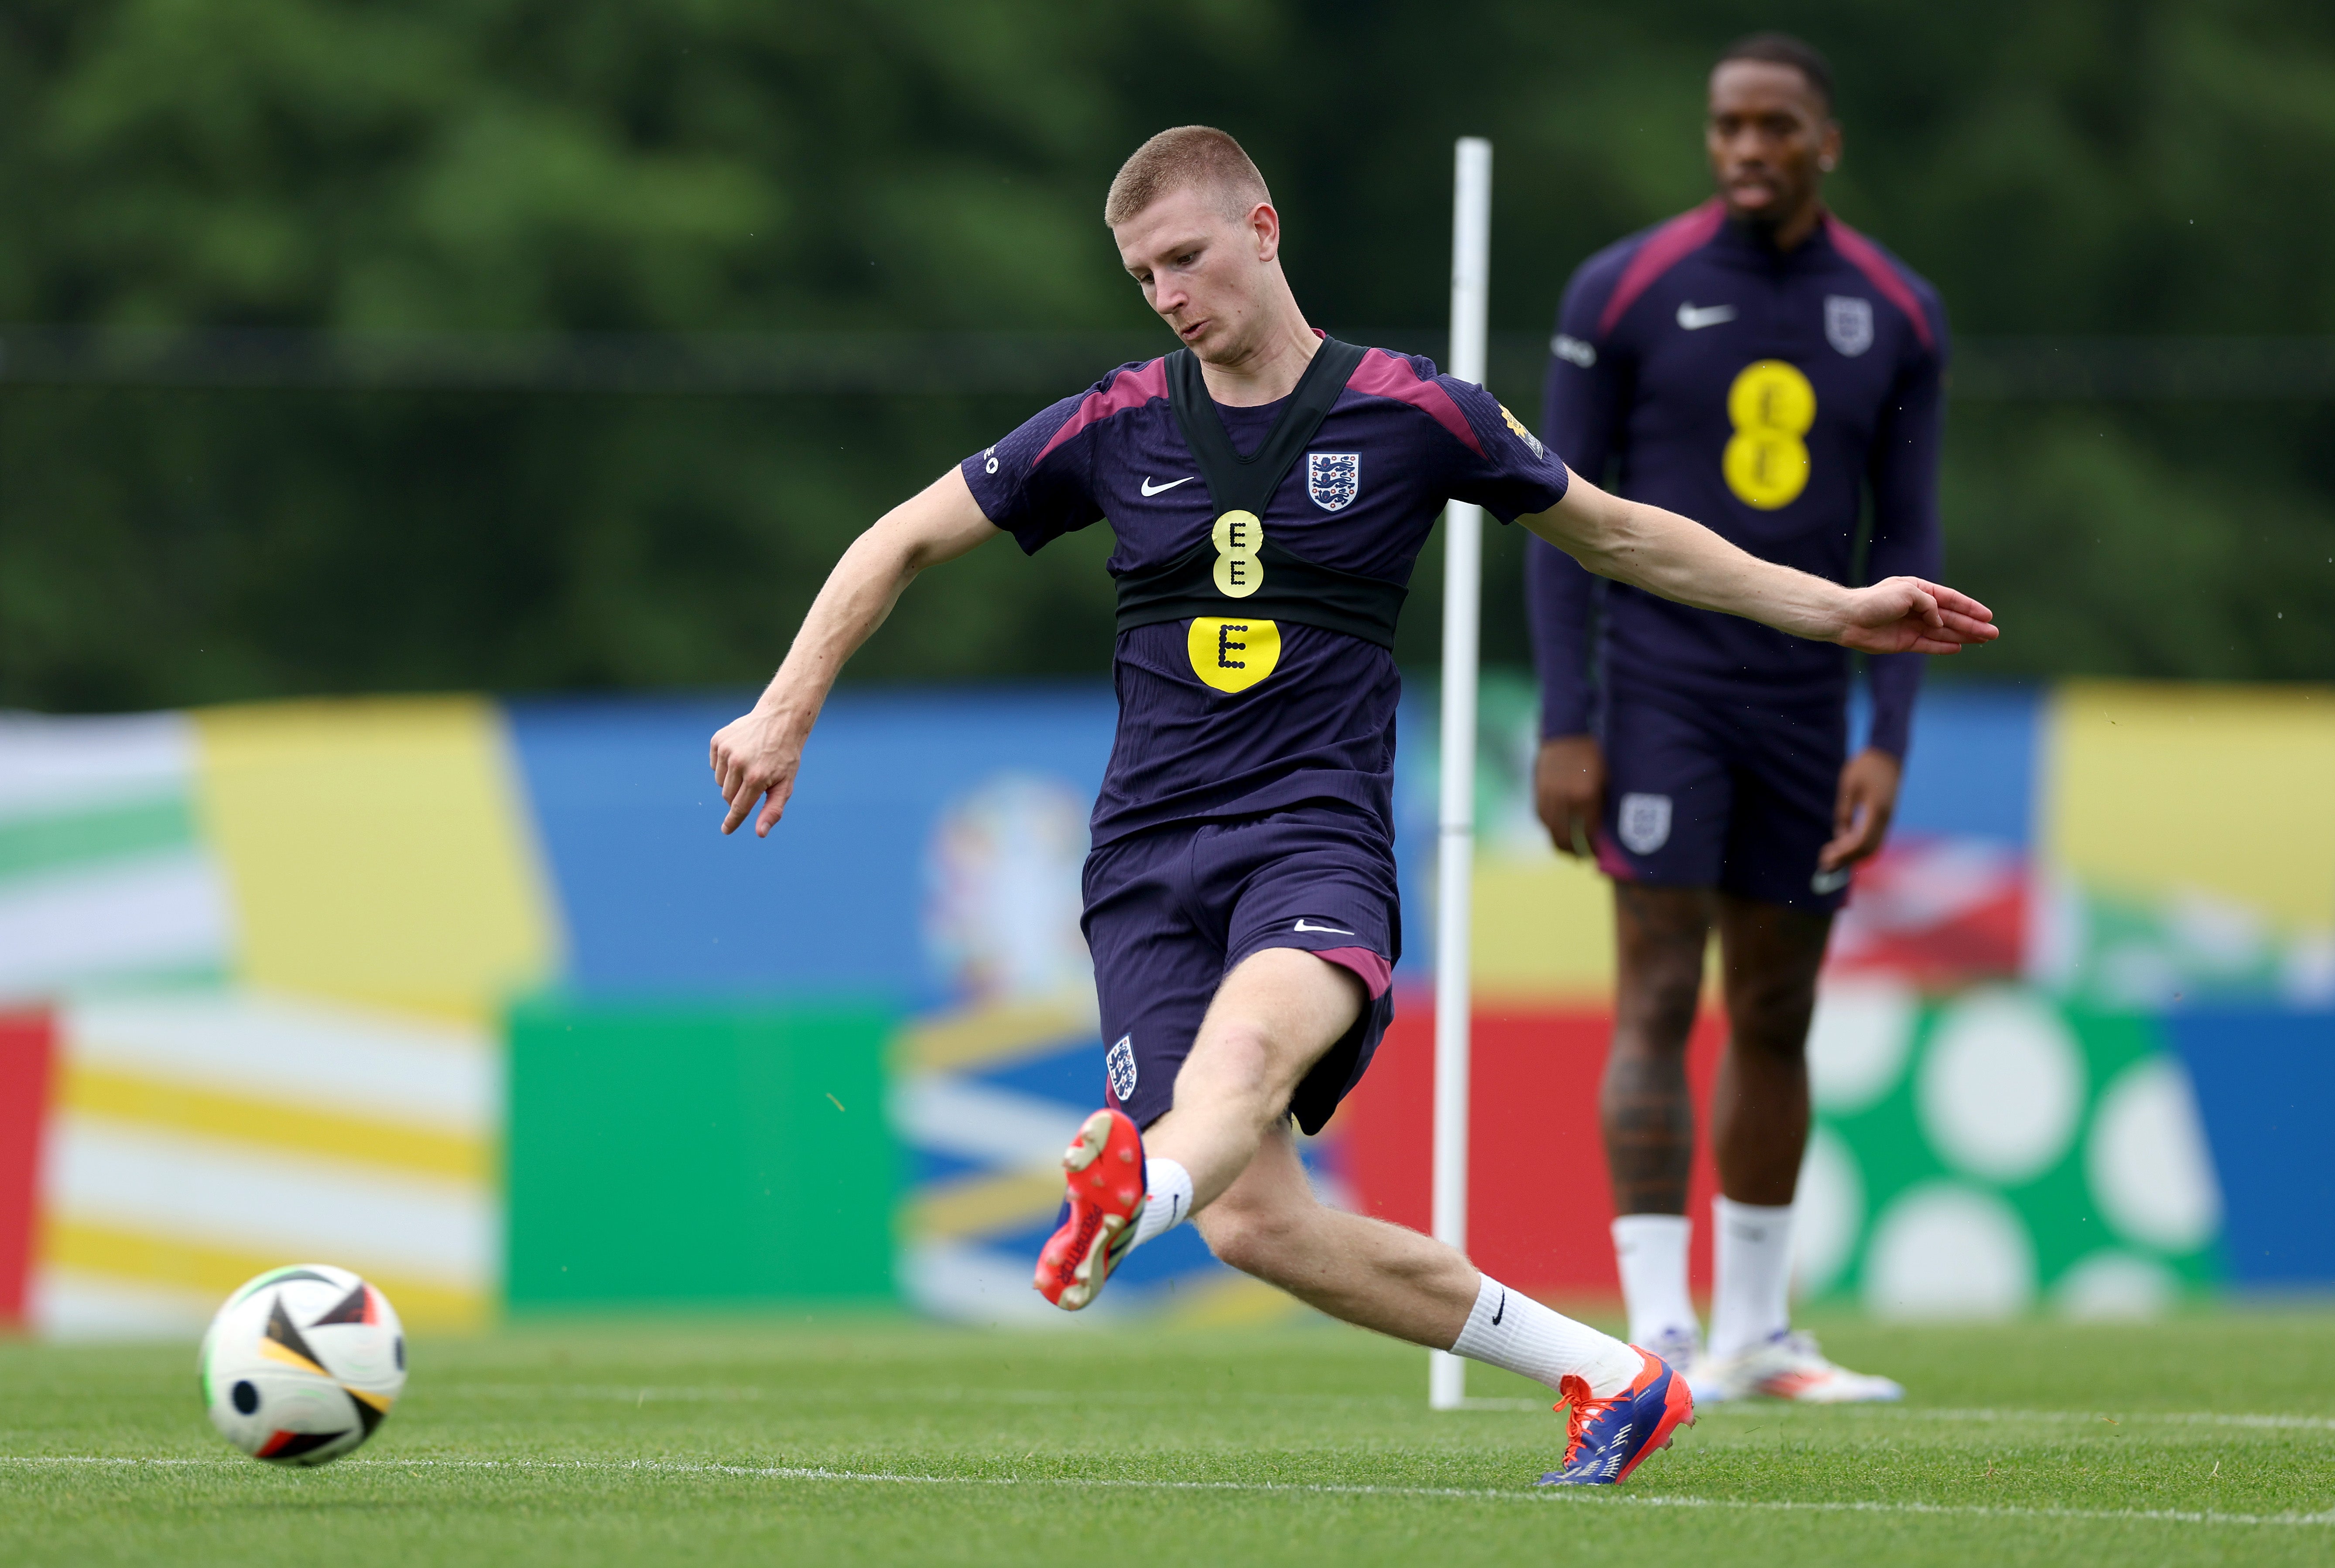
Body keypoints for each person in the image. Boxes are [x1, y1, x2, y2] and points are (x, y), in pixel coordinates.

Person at [712, 125, 1992, 1482]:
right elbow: (901, 533)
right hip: (1141, 862)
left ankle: (1126, 1193)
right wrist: (784, 705)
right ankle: (1613, 1377)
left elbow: (1617, 530)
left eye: (1186, 259)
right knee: (1258, 1224)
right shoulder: (1115, 419)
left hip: (1310, 840)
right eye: (1143, 275)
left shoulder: (1415, 410)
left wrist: (1834, 606)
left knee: (1242, 1065)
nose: (1166, 295)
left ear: (1261, 229)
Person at [1526, 34, 1947, 1404]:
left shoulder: (1895, 307)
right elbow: (1551, 519)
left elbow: (1911, 533)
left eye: (1774, 127)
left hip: (1804, 703)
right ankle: (1660, 1332)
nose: (1746, 150)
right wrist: (1566, 718)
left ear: (1825, 139)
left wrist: (1885, 732)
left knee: (1776, 1007)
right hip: (1659, 690)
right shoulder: (1625, 286)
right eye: (1726, 127)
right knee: (1655, 993)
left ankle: (1761, 1330)